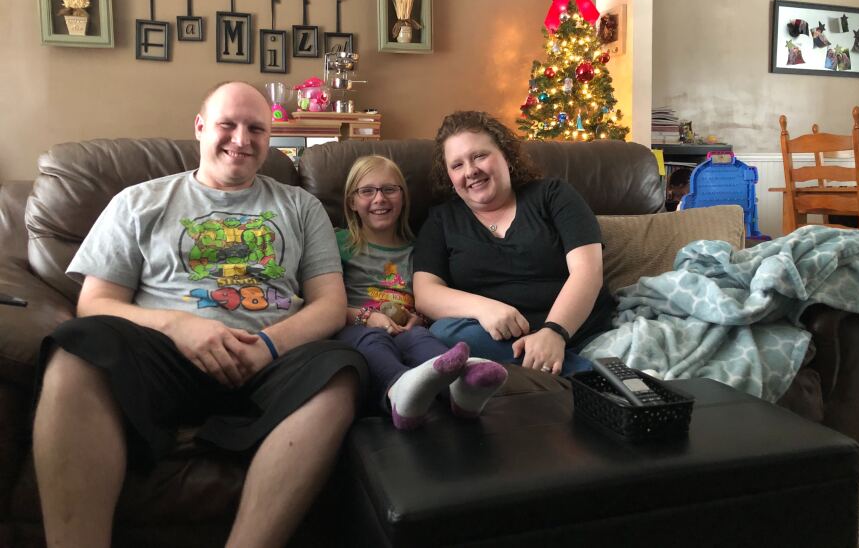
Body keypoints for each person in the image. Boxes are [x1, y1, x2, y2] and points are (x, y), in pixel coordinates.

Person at [32, 81, 368, 548]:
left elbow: (331, 304)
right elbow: (94, 304)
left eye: (256, 129)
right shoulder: (138, 202)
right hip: (164, 357)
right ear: (200, 127)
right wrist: (179, 326)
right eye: (227, 124)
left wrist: (270, 348)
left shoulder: (301, 206)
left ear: (270, 138)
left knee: (341, 371)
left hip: (270, 361)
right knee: (77, 348)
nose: (242, 139)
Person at [413, 110, 616, 377]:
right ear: (450, 177)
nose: (471, 171)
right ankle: (588, 376)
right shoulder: (442, 220)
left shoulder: (553, 195)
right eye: (457, 165)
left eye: (479, 156)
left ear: (506, 156)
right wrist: (485, 308)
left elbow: (587, 272)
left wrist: (554, 332)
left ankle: (560, 365)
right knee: (444, 332)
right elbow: (426, 294)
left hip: (577, 330)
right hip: (498, 339)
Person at [334, 155, 508, 430]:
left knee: (423, 342)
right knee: (373, 342)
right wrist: (367, 317)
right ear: (352, 202)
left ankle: (463, 388)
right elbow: (322, 302)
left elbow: (432, 294)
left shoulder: (419, 248)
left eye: (389, 189)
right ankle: (399, 391)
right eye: (367, 191)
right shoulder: (338, 243)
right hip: (355, 326)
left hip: (409, 327)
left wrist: (420, 318)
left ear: (403, 197)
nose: (379, 199)